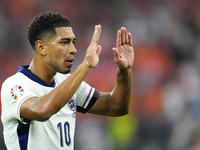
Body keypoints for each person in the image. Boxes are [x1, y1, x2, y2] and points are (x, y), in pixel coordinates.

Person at [1, 12, 134, 150]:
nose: (73, 50)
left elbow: (116, 107)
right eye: (64, 42)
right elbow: (42, 110)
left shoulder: (67, 82)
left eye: (73, 42)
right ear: (41, 47)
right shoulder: (15, 86)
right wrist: (85, 65)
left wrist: (125, 70)